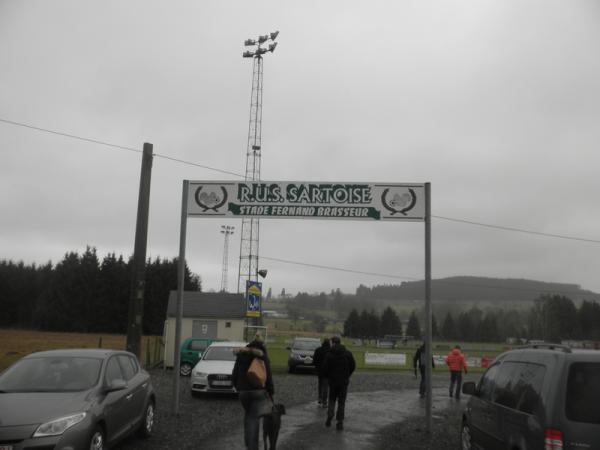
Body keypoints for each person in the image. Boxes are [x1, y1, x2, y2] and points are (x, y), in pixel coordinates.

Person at [232, 333, 275, 450]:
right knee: (253, 418)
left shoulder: (241, 355)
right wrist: (271, 391)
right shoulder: (262, 356)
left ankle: (248, 442)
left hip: (243, 392)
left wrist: (238, 387)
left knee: (248, 415)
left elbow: (234, 373)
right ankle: (252, 447)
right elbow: (268, 376)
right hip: (258, 391)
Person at [321, 336, 355, 431]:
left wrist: (327, 376)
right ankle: (340, 422)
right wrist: (347, 375)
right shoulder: (347, 353)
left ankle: (330, 416)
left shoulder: (329, 355)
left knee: (332, 400)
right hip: (343, 382)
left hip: (333, 381)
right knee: (341, 402)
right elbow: (353, 366)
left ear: (333, 343)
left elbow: (324, 368)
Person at [313, 337, 331, 408]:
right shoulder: (330, 351)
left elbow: (314, 360)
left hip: (319, 370)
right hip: (327, 371)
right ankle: (324, 401)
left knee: (320, 384)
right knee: (326, 386)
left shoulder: (318, 350)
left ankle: (320, 398)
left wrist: (316, 368)